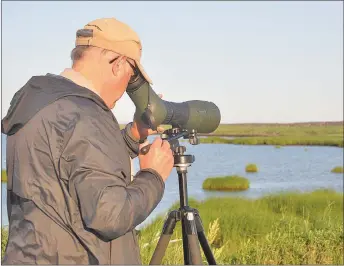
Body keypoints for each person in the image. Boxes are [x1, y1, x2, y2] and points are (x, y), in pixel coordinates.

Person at [1, 17, 174, 265]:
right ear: (118, 64)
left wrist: (133, 136)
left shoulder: (40, 100)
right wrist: (153, 176)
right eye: (132, 75)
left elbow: (70, 168)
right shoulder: (86, 114)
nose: (129, 86)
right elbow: (111, 215)